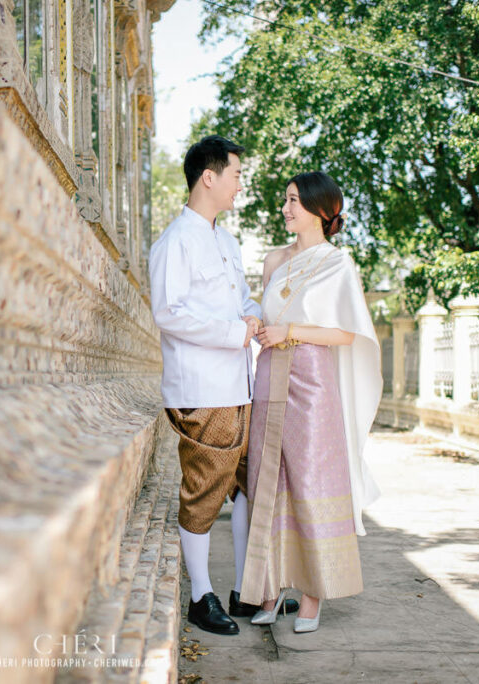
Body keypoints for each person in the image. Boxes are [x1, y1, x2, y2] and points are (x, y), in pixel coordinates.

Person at [148, 135, 297, 635]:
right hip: (202, 389)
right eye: (235, 175)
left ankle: (245, 590)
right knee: (204, 491)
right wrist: (236, 332)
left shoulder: (227, 242)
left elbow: (240, 303)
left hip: (240, 385)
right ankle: (200, 595)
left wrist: (256, 319)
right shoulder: (175, 241)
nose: (240, 186)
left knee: (248, 486)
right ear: (207, 177)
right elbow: (169, 314)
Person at [238, 171, 381, 634]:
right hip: (270, 373)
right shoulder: (274, 259)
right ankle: (271, 588)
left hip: (313, 379)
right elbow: (265, 309)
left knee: (310, 478)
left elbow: (345, 333)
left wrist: (291, 332)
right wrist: (255, 321)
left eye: (295, 201)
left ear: (322, 210)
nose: (286, 208)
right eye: (286, 200)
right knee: (267, 477)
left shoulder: (337, 264)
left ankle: (313, 596)